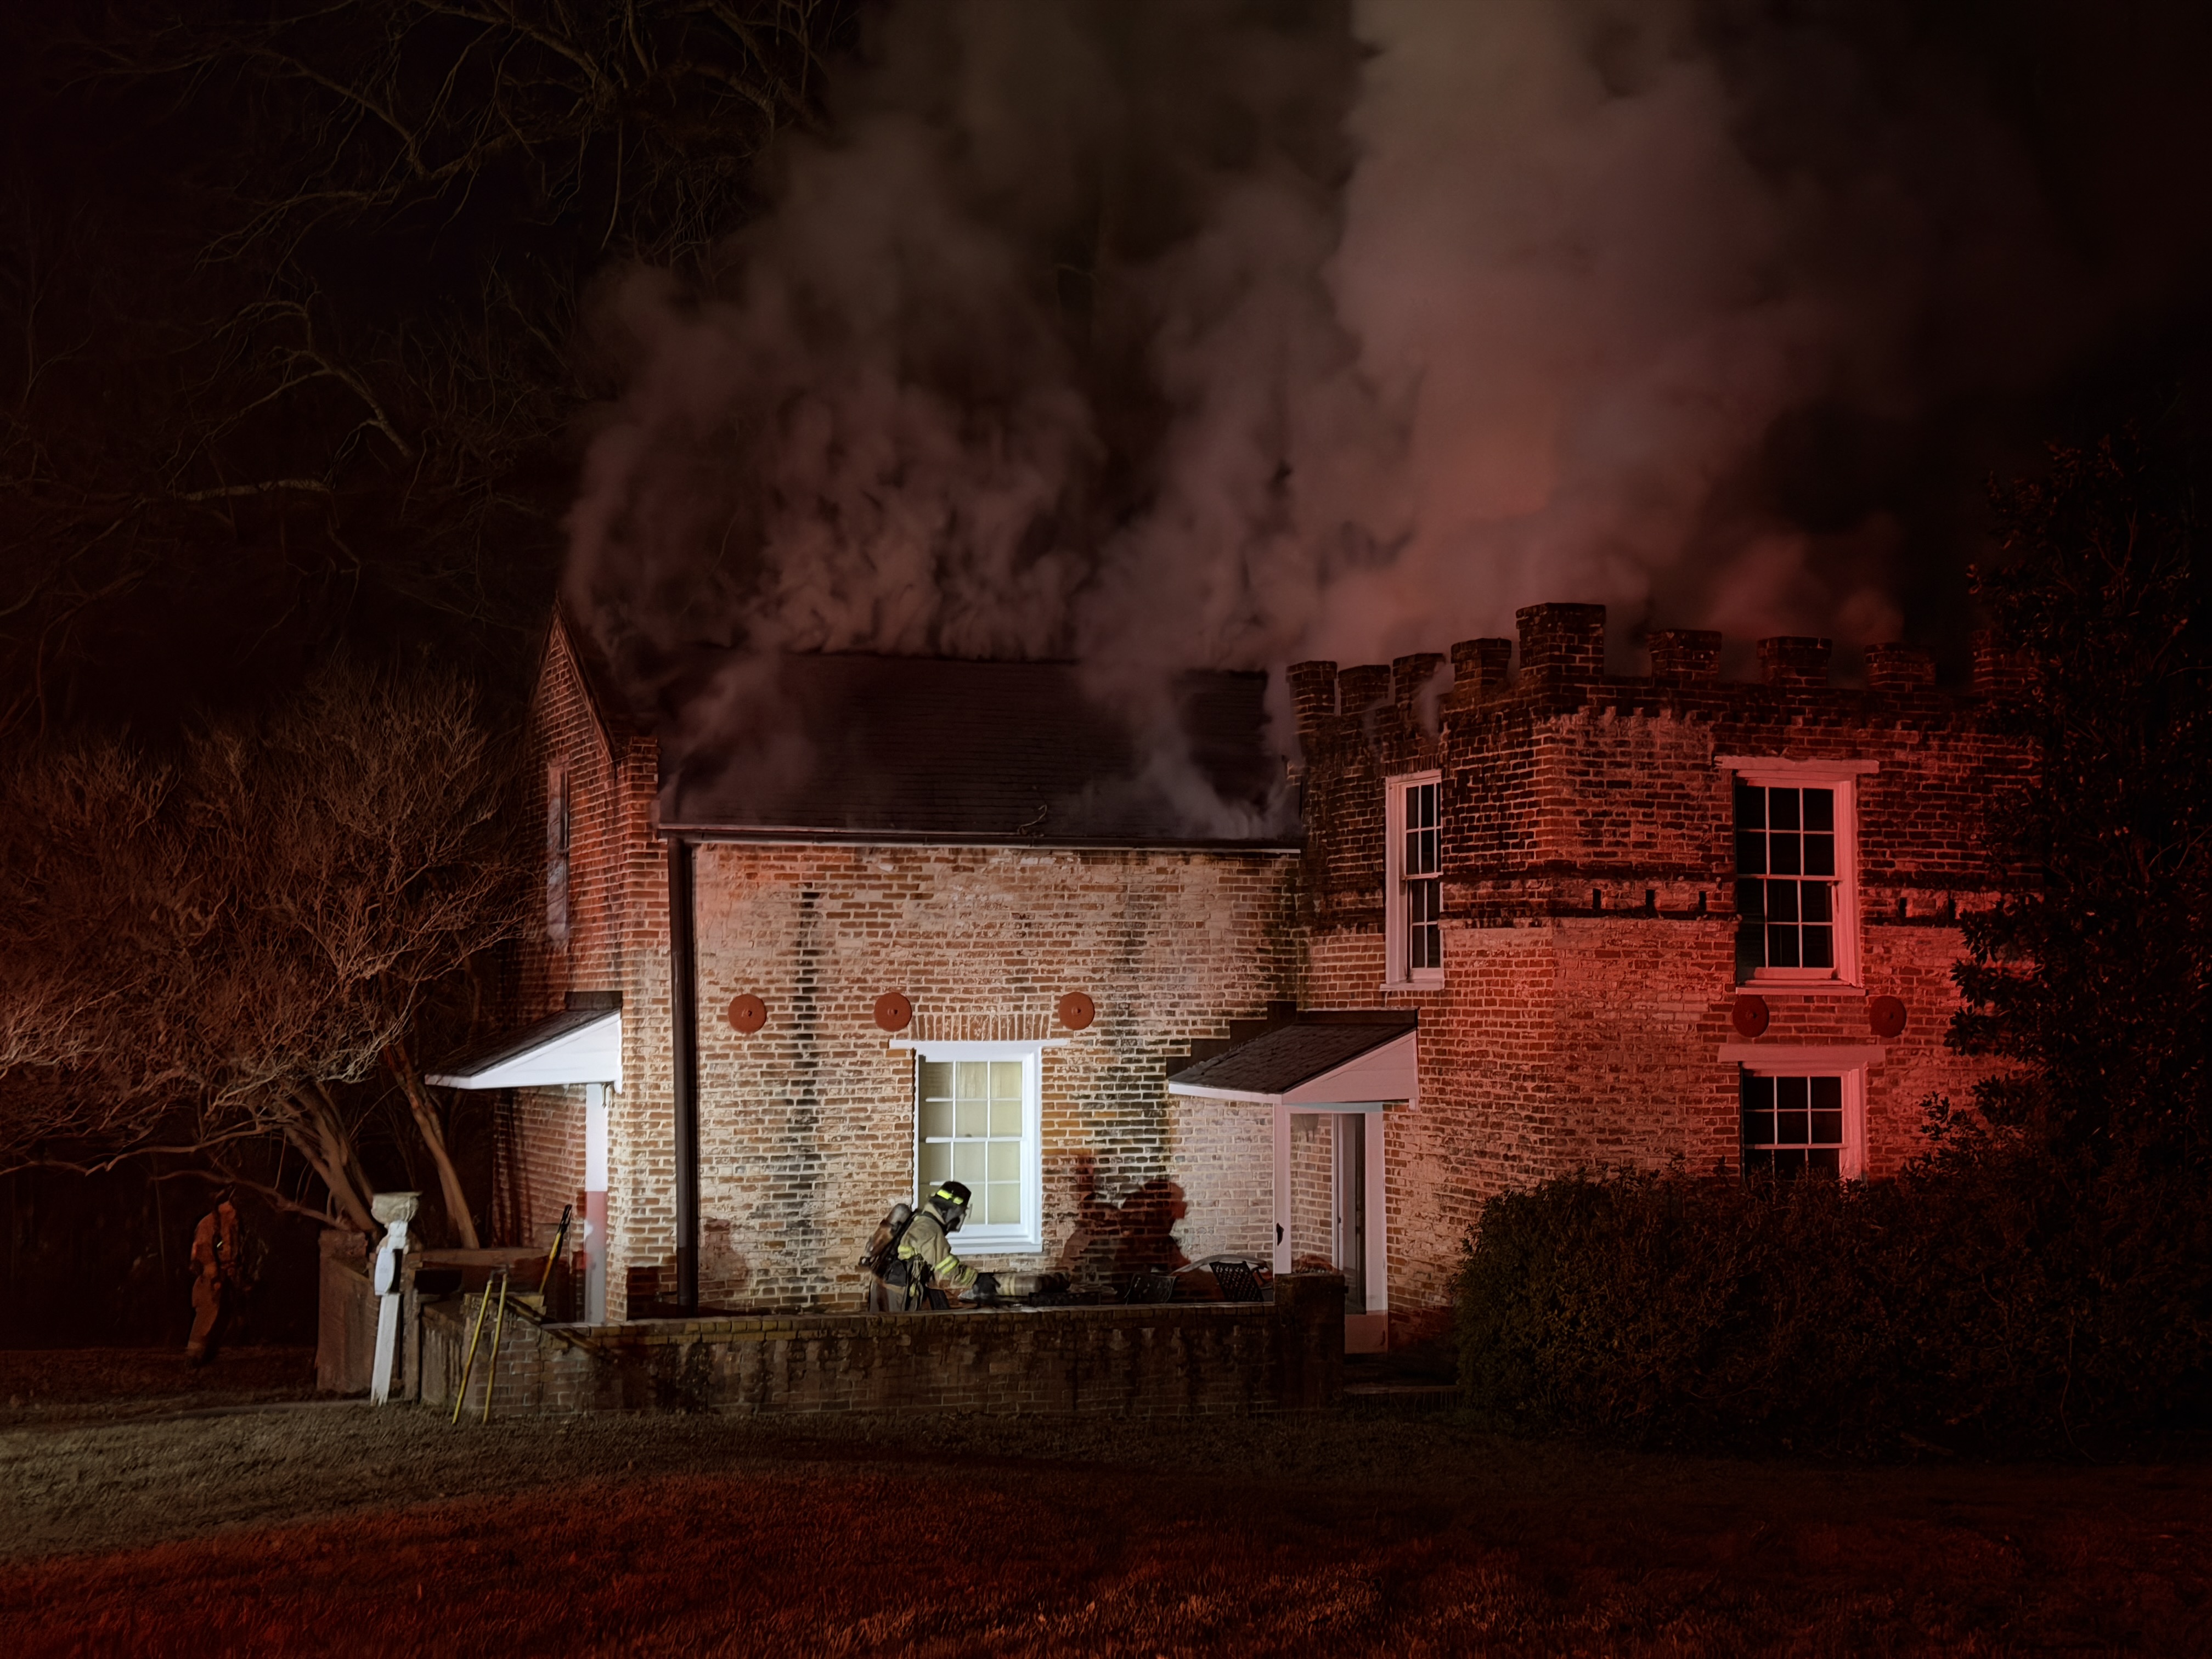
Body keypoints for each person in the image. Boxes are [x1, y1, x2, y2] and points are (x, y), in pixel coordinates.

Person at [887, 1182, 998, 1311]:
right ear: (951, 1210)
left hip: (897, 1293)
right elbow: (947, 1266)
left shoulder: (921, 1220)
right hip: (902, 1298)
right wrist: (977, 1279)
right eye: (961, 1212)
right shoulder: (929, 1228)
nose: (960, 1218)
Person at [185, 1198, 240, 1365]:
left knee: (221, 1315)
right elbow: (203, 1250)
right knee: (206, 1313)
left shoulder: (229, 1225)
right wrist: (214, 1276)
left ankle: (208, 1353)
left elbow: (230, 1249)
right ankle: (194, 1356)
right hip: (210, 1276)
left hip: (224, 1274)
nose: (232, 1211)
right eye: (228, 1207)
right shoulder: (208, 1224)